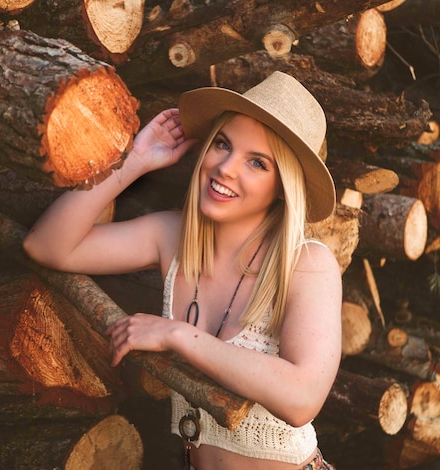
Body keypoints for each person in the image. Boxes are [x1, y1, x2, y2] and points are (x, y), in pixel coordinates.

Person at [23, 71, 342, 469]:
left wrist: (178, 335)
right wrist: (133, 162)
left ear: (282, 187)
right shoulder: (171, 236)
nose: (226, 168)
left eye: (257, 163)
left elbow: (302, 398)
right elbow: (47, 245)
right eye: (223, 144)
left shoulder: (306, 263)